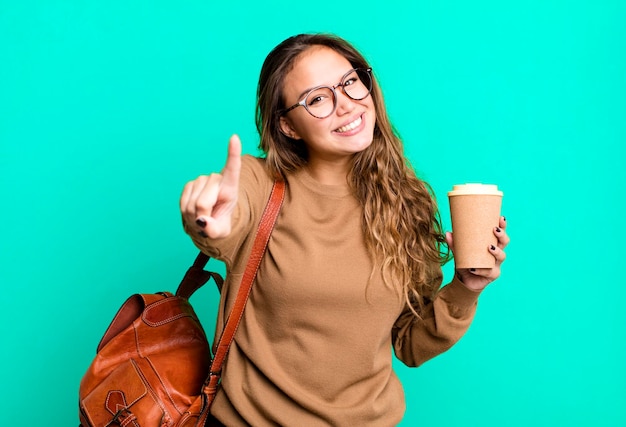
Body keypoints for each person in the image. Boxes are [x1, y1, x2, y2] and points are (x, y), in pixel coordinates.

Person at [180, 33, 509, 427]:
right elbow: (226, 222)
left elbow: (409, 344)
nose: (347, 104)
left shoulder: (407, 204)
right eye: (318, 99)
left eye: (350, 81)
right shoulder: (259, 182)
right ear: (288, 126)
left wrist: (466, 289)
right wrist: (209, 221)